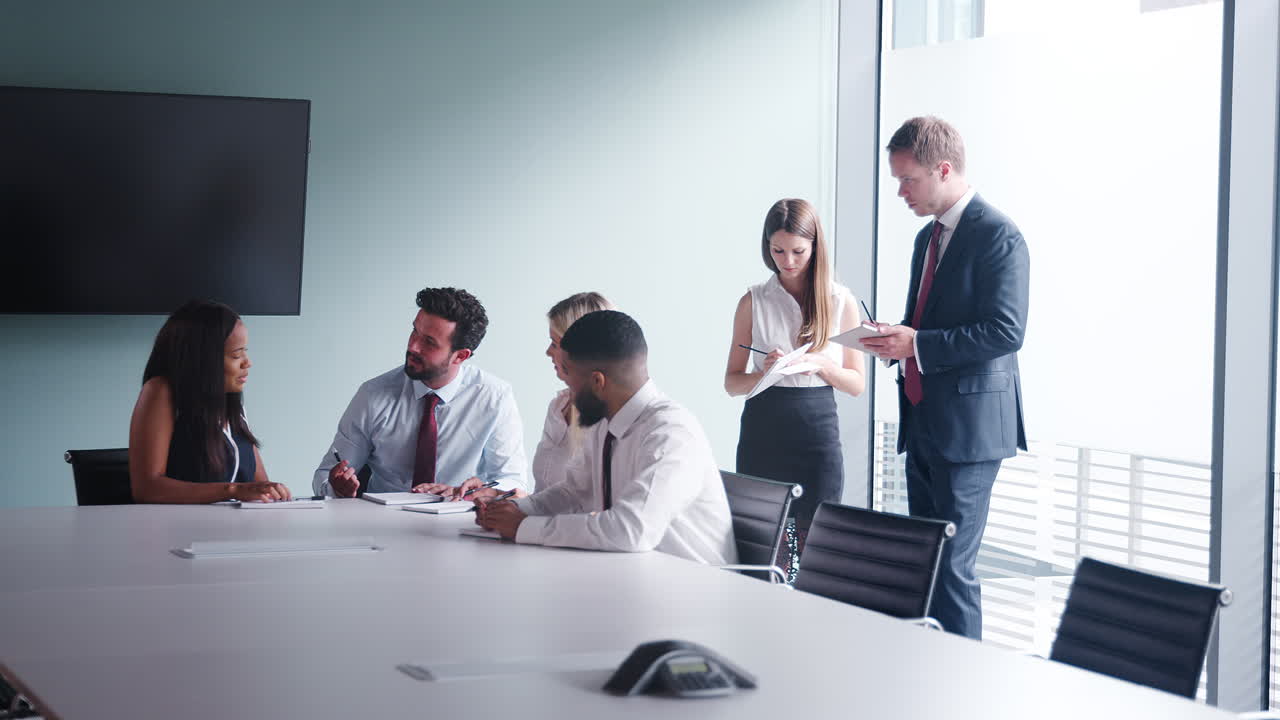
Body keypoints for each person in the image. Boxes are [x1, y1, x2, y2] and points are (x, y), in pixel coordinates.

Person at [861, 116, 1029, 639]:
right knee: (924, 565)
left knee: (952, 571)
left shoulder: (999, 236)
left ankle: (966, 692)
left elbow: (1006, 331)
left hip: (970, 433)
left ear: (944, 168)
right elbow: (927, 326)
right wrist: (897, 340)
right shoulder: (926, 239)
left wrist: (919, 344)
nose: (901, 192)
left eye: (907, 180)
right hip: (925, 421)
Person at [474, 310, 736, 565]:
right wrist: (518, 510)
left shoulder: (670, 433)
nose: (569, 394)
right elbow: (574, 491)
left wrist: (525, 528)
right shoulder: (605, 423)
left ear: (598, 381)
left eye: (569, 379)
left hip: (693, 589)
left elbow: (632, 530)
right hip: (635, 575)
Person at [724, 198, 866, 577]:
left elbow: (856, 384)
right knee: (761, 541)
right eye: (778, 251)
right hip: (764, 428)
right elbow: (732, 382)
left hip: (817, 430)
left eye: (798, 251)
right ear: (767, 247)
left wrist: (821, 364)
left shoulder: (840, 300)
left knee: (816, 542)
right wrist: (765, 372)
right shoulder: (753, 300)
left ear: (815, 246)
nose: (787, 261)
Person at [313, 287, 526, 498]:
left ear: (460, 356)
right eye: (415, 331)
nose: (413, 346)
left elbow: (512, 481)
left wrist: (478, 491)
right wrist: (336, 487)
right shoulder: (373, 394)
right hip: (383, 523)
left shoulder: (494, 398)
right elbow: (326, 476)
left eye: (429, 342)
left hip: (459, 519)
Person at [129, 300, 290, 503]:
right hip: (182, 531)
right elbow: (147, 488)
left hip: (234, 530)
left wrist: (271, 493)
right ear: (203, 358)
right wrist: (233, 490)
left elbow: (258, 487)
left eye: (245, 352)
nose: (247, 362)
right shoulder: (161, 391)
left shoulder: (232, 406)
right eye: (236, 354)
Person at [532, 292, 615, 487]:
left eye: (554, 344)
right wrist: (515, 501)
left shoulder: (613, 418)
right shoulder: (558, 406)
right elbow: (549, 493)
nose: (548, 352)